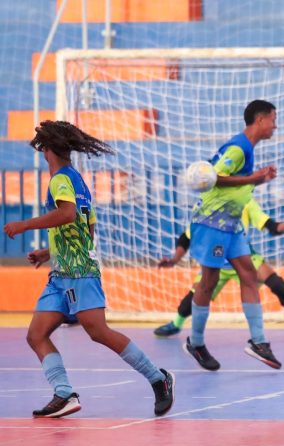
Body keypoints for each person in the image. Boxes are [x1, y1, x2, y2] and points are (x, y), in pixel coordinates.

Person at [2, 120, 175, 418]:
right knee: (36, 334)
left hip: (78, 272)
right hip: (62, 271)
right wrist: (50, 251)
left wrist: (25, 224)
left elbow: (68, 214)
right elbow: (88, 226)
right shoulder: (76, 179)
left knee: (99, 331)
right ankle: (63, 393)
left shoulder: (59, 181)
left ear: (47, 150)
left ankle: (159, 379)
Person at [185, 100, 279, 372]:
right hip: (212, 222)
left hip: (231, 223)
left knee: (249, 275)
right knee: (209, 281)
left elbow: (234, 180)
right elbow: (213, 177)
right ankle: (197, 342)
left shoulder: (246, 148)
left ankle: (259, 341)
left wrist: (258, 178)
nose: (275, 125)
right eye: (273, 119)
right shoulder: (238, 148)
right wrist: (253, 178)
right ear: (260, 119)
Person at [154, 197, 284, 354]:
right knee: (189, 302)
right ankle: (177, 324)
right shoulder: (207, 205)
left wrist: (283, 226)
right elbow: (187, 237)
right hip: (216, 261)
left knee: (278, 285)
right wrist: (174, 259)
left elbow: (268, 224)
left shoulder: (246, 201)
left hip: (243, 257)